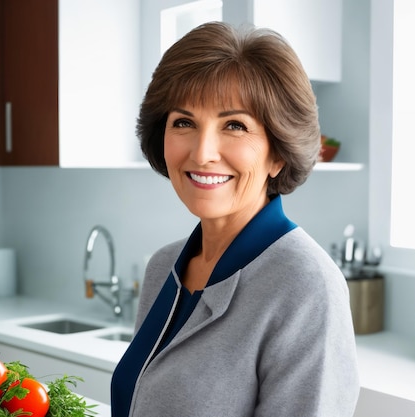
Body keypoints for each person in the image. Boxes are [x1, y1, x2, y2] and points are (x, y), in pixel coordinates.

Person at [110, 22, 359, 417]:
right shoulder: (163, 268)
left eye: (235, 126)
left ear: (277, 153)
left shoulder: (308, 286)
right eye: (184, 122)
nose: (203, 152)